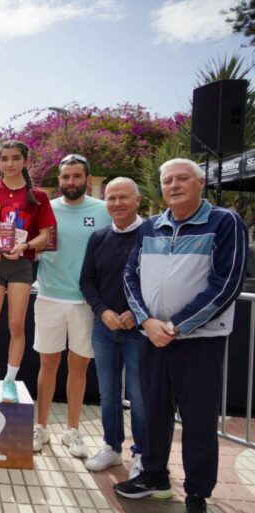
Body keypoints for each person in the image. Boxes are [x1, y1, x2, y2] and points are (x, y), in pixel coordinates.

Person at [115, 159, 247, 513]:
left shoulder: (225, 222)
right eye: (168, 180)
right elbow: (130, 276)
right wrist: (147, 322)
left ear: (200, 182)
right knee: (154, 411)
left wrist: (176, 326)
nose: (174, 185)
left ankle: (197, 493)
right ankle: (154, 476)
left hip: (198, 342)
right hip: (153, 338)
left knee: (198, 419)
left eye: (182, 178)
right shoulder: (151, 228)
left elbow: (228, 283)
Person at [32, 154, 110, 459]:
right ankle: (41, 426)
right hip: (49, 297)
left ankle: (72, 430)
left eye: (76, 177)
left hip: (86, 302)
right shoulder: (46, 209)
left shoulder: (104, 211)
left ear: (88, 180)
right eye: (65, 177)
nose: (70, 182)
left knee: (78, 368)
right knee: (47, 365)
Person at [0, 141, 54, 401]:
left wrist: (25, 246)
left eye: (15, 158)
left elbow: (45, 235)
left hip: (21, 264)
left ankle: (9, 381)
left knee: (17, 325)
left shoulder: (37, 196)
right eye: (4, 158)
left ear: (25, 161)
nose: (9, 164)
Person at [79, 177, 146, 477]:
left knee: (140, 395)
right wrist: (102, 311)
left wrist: (137, 312)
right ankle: (112, 447)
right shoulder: (99, 237)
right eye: (111, 198)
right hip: (105, 327)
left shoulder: (152, 234)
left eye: (123, 197)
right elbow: (87, 281)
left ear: (137, 201)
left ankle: (143, 455)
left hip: (141, 329)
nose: (117, 204)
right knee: (108, 393)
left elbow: (159, 282)